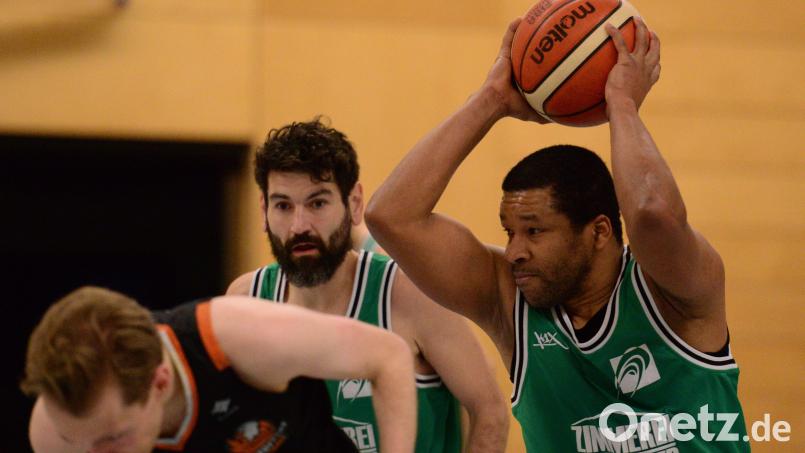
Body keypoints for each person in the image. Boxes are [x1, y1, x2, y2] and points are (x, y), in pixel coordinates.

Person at [365, 17, 749, 452]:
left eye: (534, 231)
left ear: (599, 231)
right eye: (509, 232)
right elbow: (390, 216)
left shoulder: (673, 290)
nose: (514, 252)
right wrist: (490, 99)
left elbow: (653, 211)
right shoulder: (508, 301)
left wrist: (621, 104)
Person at [227, 118, 509, 453]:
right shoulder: (246, 301)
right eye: (283, 205)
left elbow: (490, 411)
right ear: (263, 210)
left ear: (355, 203)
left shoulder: (410, 293)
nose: (299, 226)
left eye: (318, 203)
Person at [22, 286, 416, 453]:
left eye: (111, 441)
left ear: (158, 381)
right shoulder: (53, 432)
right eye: (80, 443)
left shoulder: (242, 338)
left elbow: (388, 356)